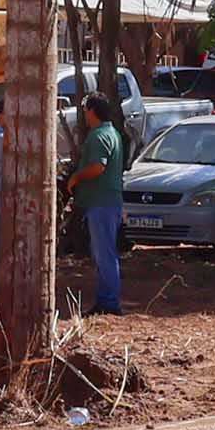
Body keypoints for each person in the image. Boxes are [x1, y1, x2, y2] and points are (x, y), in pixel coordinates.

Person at [72, 74, 132, 319]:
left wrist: (75, 179)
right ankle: (106, 298)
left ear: (93, 111)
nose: (85, 115)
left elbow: (98, 166)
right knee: (103, 252)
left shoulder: (98, 136)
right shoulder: (112, 133)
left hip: (101, 203)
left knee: (104, 253)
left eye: (86, 110)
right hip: (107, 202)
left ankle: (109, 302)